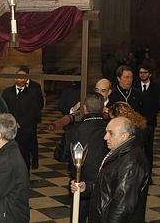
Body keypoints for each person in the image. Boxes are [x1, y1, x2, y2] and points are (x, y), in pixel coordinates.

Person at [71, 117, 149, 223]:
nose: (105, 137)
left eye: (111, 133)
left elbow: (122, 207)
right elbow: (110, 187)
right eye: (106, 132)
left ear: (124, 136)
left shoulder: (131, 163)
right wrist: (87, 187)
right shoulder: (118, 153)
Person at [54, 93, 108, 223]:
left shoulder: (74, 130)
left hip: (80, 185)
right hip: (104, 185)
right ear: (103, 109)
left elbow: (60, 156)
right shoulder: (109, 129)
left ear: (84, 108)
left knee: (78, 219)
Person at [1, 66, 44, 170]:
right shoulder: (7, 92)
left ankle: (25, 174)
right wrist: (12, 122)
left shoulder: (32, 93)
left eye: (24, 78)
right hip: (11, 128)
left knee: (25, 153)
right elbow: (4, 109)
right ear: (15, 79)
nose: (22, 80)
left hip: (26, 128)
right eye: (20, 77)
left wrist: (22, 123)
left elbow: (35, 110)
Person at [133, 63, 160, 177]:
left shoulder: (155, 88)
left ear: (150, 74)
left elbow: (158, 105)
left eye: (145, 73)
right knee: (136, 149)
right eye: (140, 73)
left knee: (148, 150)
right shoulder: (135, 86)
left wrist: (147, 119)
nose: (142, 75)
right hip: (136, 124)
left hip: (150, 124)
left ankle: (148, 176)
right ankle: (137, 175)